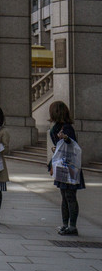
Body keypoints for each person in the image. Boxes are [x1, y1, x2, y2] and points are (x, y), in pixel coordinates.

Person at [48, 100, 85, 236]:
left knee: (69, 196)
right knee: (65, 196)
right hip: (63, 165)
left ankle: (72, 226)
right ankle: (65, 224)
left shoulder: (66, 128)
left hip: (68, 166)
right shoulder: (58, 126)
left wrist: (66, 138)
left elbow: (72, 142)